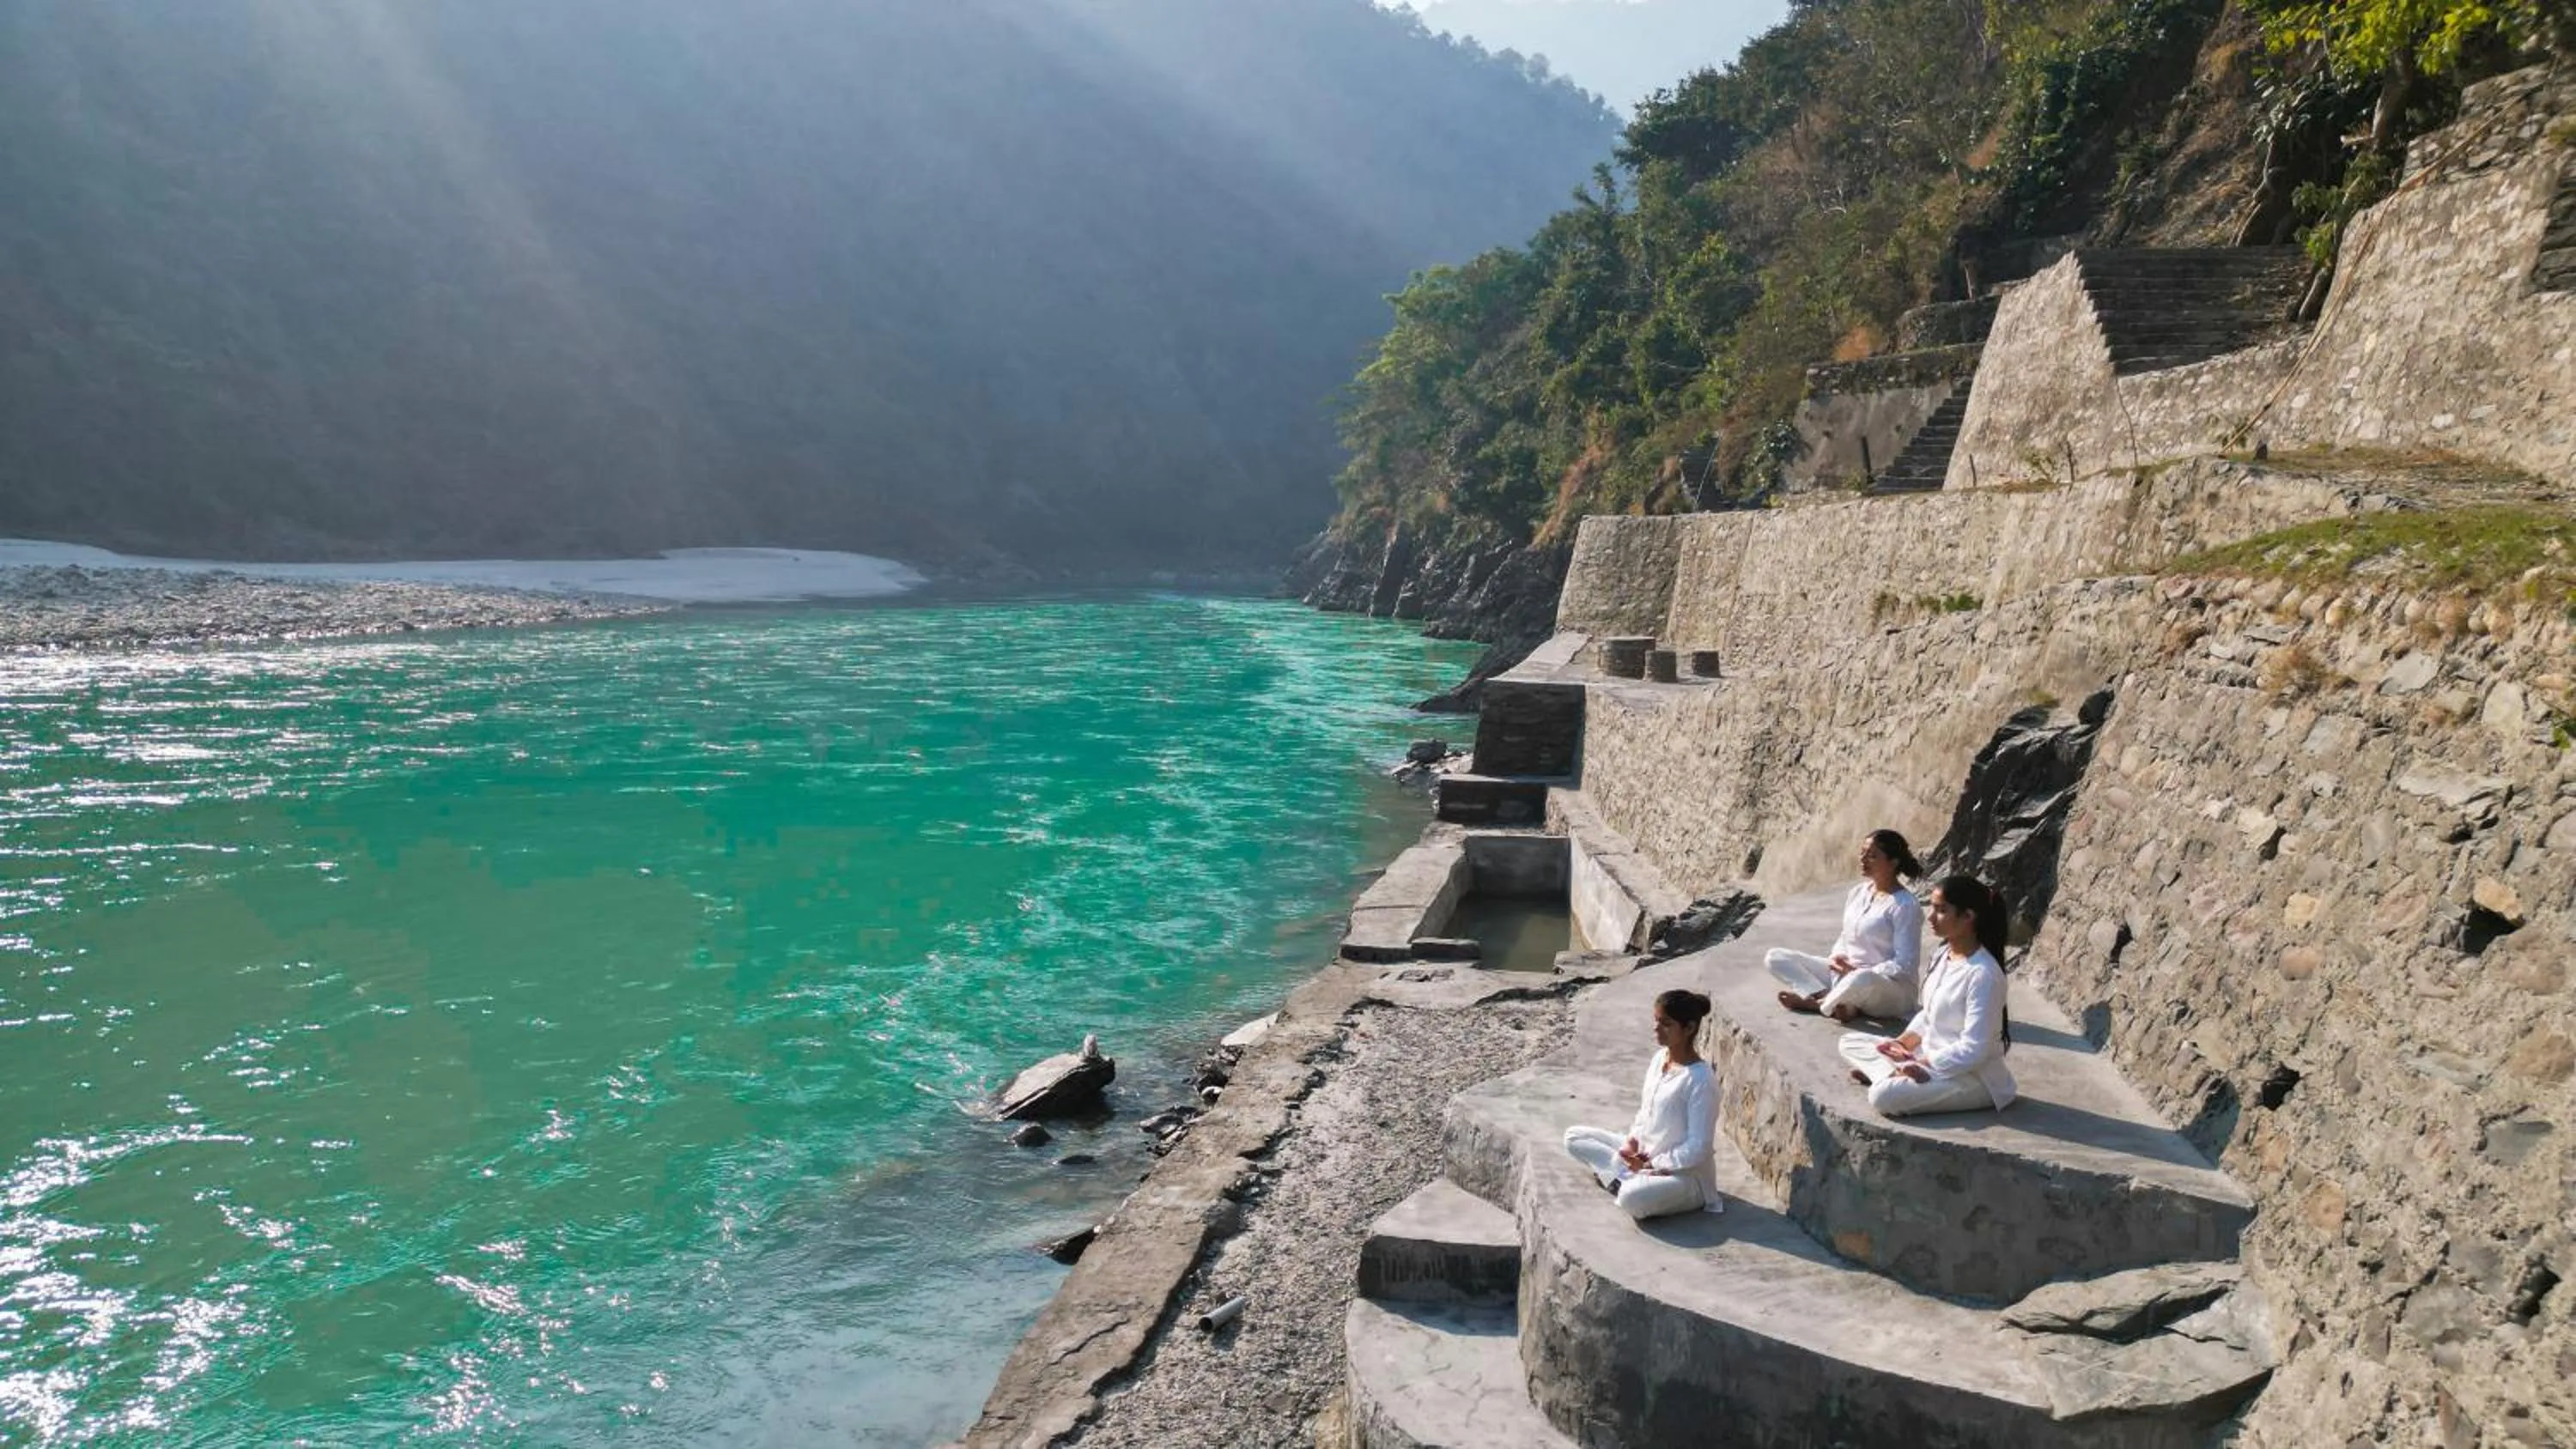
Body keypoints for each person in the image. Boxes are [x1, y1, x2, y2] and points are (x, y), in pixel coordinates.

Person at [1839, 875, 2017, 1118]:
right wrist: (1901, 1044)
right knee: (1850, 1042)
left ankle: (1887, 1077)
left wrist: (1925, 1065)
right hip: (1925, 1059)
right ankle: (1891, 1074)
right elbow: (1929, 1013)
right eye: (1932, 908)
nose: (1931, 918)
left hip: (1972, 1079)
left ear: (1968, 917)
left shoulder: (1984, 974)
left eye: (1941, 910)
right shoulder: (1943, 954)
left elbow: (1975, 1049)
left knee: (1883, 1098)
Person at [1563, 989, 1722, 1220]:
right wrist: (1631, 1143)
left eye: (1666, 1024)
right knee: (1573, 1137)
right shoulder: (1659, 1059)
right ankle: (1622, 1174)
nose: (1656, 1028)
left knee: (1631, 1198)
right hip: (1644, 1154)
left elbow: (1699, 1148)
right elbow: (1645, 1113)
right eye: (1656, 1021)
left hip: (1683, 1176)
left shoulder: (1700, 1080)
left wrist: (1652, 1165)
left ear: (1688, 1029)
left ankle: (1620, 1179)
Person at [1771, 829, 1924, 1022]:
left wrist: (1859, 972)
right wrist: (1837, 958)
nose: (1863, 859)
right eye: (1862, 852)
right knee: (1776, 957)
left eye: (1872, 856)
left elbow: (1905, 965)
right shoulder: (1857, 893)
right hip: (1845, 975)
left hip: (1888, 989)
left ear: (1893, 862)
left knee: (1862, 979)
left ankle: (1818, 1004)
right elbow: (1846, 936)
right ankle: (1833, 1000)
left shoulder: (1905, 905)